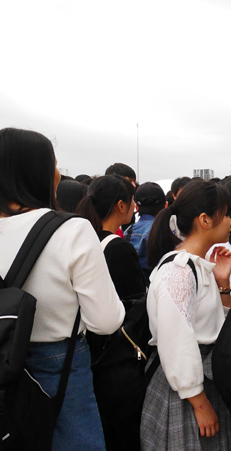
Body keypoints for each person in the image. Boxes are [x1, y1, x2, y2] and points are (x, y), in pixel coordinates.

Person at [0, 127, 125, 450]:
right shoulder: (72, 229)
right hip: (56, 365)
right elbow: (106, 321)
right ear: (38, 171)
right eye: (54, 163)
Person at [141, 180, 231, 450]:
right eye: (226, 214)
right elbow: (176, 342)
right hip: (187, 391)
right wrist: (199, 402)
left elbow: (219, 325)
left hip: (202, 381)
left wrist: (223, 283)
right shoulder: (179, 271)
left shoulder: (195, 266)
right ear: (205, 220)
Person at [76, 175, 147, 450]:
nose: (134, 207)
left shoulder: (84, 241)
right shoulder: (118, 248)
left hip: (89, 352)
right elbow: (135, 308)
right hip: (117, 358)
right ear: (120, 205)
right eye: (132, 201)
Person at [124, 182, 167, 286]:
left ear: (137, 207)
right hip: (157, 286)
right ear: (166, 205)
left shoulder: (128, 231)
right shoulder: (164, 231)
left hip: (135, 287)